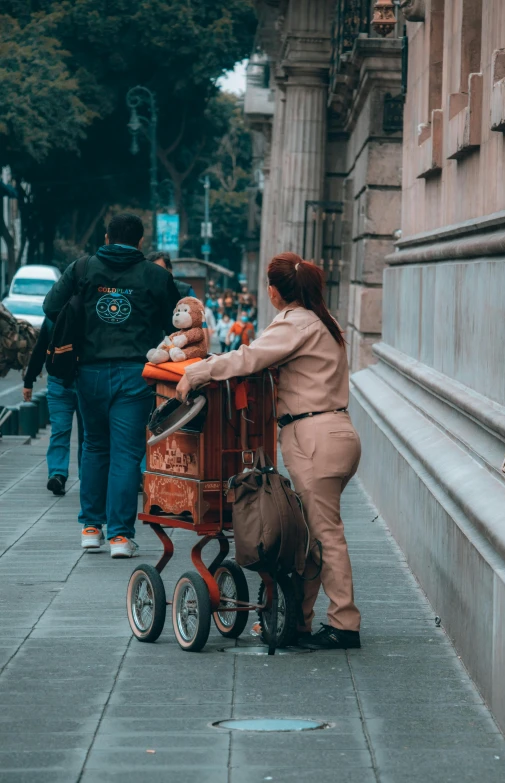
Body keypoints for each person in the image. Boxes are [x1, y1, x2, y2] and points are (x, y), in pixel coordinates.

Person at [176, 251, 362, 650]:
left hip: (315, 438)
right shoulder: (321, 322)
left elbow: (249, 357)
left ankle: (345, 624)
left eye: (268, 285)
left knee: (324, 534)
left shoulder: (297, 323)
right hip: (334, 435)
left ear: (276, 292)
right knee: (311, 535)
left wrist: (198, 371)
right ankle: (299, 622)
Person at [44, 213, 180, 558]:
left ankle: (91, 529)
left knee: (93, 447)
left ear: (106, 238)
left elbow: (50, 306)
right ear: (140, 242)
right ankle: (120, 536)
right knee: (126, 454)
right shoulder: (155, 275)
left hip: (88, 371)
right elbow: (174, 321)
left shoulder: (83, 268)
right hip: (135, 373)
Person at [23, 316, 84, 496]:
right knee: (87, 434)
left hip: (62, 380)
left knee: (61, 430)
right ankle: (80, 477)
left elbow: (40, 349)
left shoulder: (53, 316)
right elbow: (41, 347)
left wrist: (29, 381)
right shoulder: (90, 308)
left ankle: (59, 474)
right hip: (84, 379)